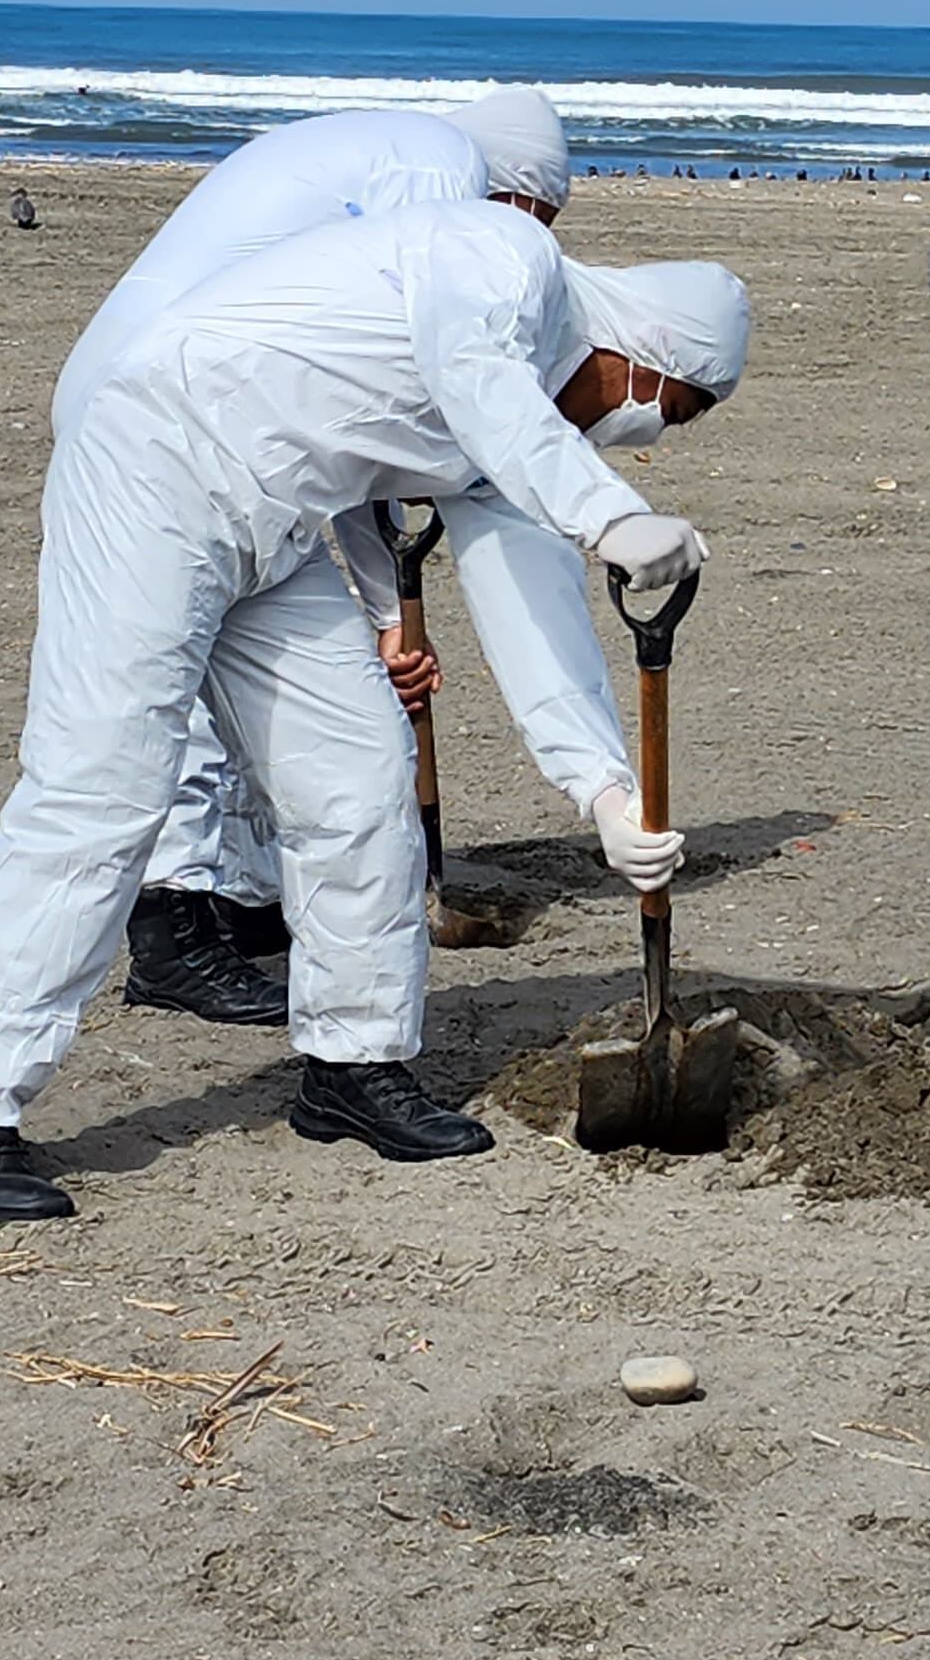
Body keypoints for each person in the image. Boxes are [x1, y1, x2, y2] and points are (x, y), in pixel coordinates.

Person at [0, 201, 746, 1220]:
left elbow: (534, 608)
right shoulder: (504, 261)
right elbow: (478, 384)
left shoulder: (520, 436)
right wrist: (608, 511)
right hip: (154, 466)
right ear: (641, 350)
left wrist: (601, 790)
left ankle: (353, 1066)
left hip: (278, 528)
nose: (640, 432)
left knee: (362, 779)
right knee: (101, 789)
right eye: (669, 409)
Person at [49, 91, 574, 1031]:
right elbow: (374, 401)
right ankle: (173, 932)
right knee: (179, 676)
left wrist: (382, 617)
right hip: (163, 409)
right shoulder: (436, 184)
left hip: (212, 401)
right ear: (512, 196)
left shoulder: (391, 166)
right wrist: (384, 615)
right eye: (536, 226)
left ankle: (248, 902)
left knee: (278, 674)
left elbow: (358, 422)